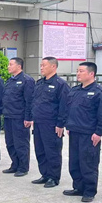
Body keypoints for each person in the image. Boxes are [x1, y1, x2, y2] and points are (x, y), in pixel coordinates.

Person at [62, 62, 102, 203]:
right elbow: (69, 110)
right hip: (74, 132)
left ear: (91, 74)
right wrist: (68, 125)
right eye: (77, 71)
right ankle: (78, 187)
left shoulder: (100, 92)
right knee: (75, 162)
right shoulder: (75, 91)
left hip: (89, 134)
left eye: (81, 71)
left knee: (88, 163)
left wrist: (99, 133)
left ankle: (89, 191)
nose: (78, 74)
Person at [29, 57, 70, 188]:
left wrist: (60, 124)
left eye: (44, 65)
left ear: (53, 67)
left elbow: (64, 106)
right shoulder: (40, 83)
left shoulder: (60, 84)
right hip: (38, 122)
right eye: (41, 65)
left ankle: (53, 177)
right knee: (40, 150)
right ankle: (45, 174)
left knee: (52, 151)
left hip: (51, 124)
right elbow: (35, 101)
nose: (41, 68)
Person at [1, 57, 35, 177]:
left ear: (19, 66)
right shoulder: (10, 80)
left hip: (19, 117)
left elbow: (29, 101)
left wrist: (28, 117)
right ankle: (15, 164)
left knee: (21, 143)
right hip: (8, 115)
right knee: (10, 142)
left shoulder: (27, 80)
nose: (8, 67)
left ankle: (23, 167)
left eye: (11, 64)